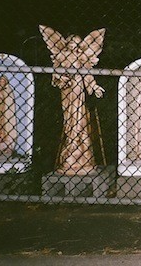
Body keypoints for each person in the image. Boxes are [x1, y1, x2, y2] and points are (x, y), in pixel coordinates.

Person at [40, 25, 105, 175]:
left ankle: (79, 147)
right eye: (71, 42)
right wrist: (62, 79)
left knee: (79, 117)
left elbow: (87, 75)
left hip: (78, 89)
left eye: (76, 43)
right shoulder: (61, 56)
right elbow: (55, 75)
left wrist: (94, 87)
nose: (73, 46)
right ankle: (71, 144)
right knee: (68, 118)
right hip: (67, 90)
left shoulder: (82, 58)